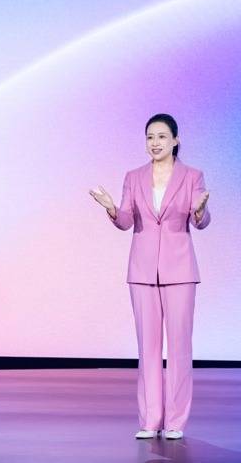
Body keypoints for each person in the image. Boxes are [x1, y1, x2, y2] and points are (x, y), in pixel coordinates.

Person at [89, 113, 211, 441]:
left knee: (180, 347)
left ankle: (175, 422)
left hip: (180, 271)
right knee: (148, 348)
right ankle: (150, 420)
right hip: (142, 271)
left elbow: (199, 220)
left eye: (161, 136)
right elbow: (127, 221)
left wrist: (200, 211)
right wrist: (111, 208)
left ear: (175, 141)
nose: (154, 143)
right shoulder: (133, 177)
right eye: (149, 137)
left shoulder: (192, 176)